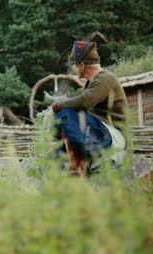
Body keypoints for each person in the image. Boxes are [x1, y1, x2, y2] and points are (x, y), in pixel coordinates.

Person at [50, 41, 128, 176]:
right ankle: (66, 168)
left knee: (65, 115)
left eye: (75, 65)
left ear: (82, 65)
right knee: (56, 153)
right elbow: (80, 102)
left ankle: (96, 159)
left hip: (115, 136)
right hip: (101, 132)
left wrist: (57, 106)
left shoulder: (105, 78)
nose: (74, 69)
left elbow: (85, 101)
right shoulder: (91, 84)